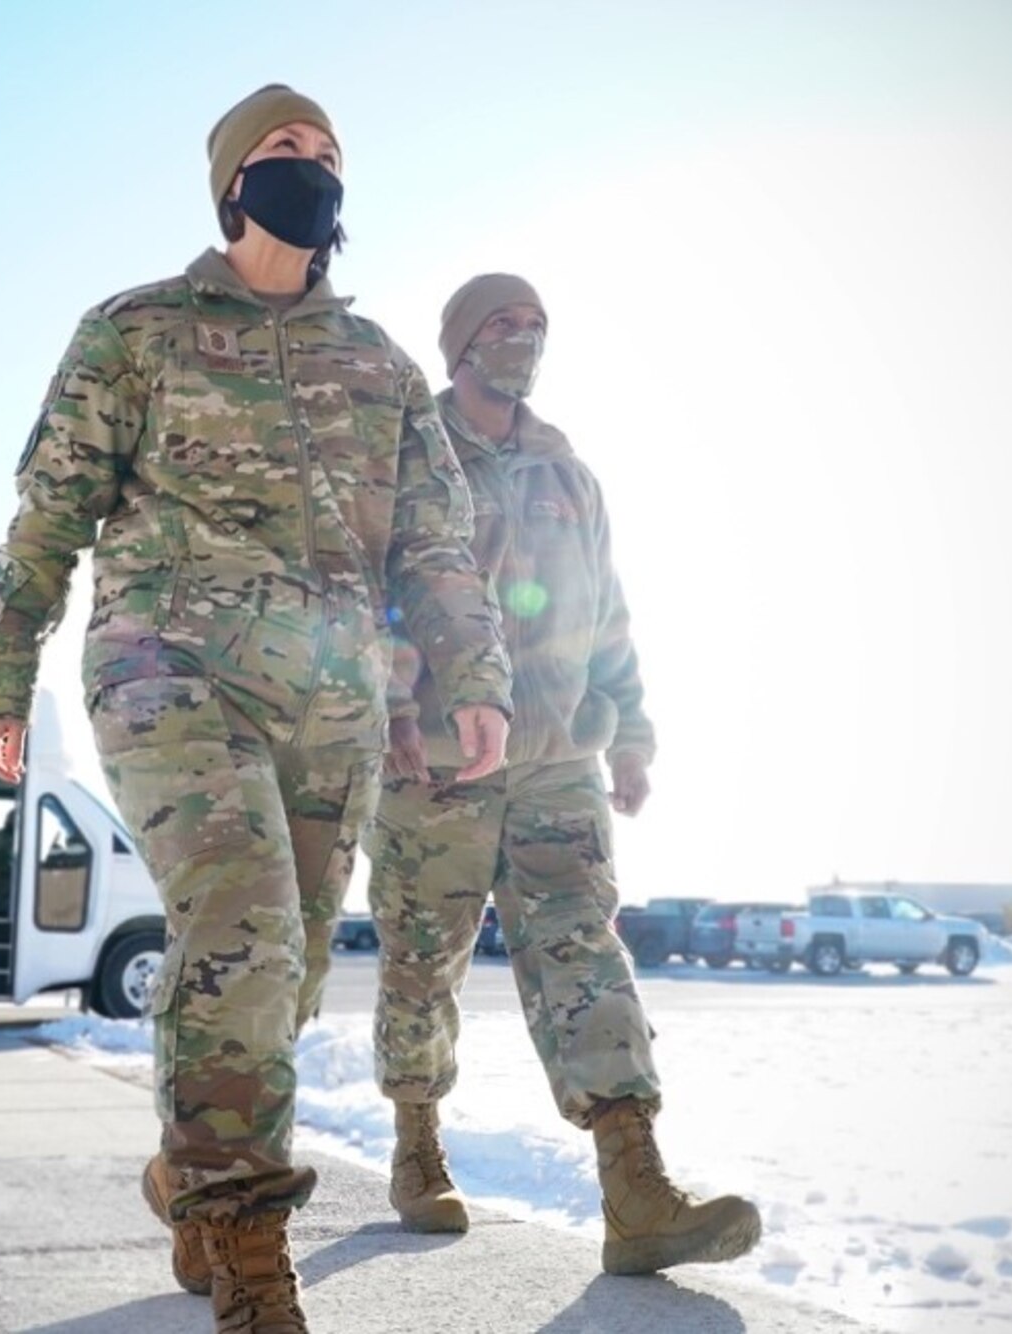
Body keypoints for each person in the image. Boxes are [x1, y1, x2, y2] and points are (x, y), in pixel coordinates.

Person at [0, 85, 512, 1334]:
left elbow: (436, 544)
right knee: (247, 924)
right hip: (167, 665)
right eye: (281, 151)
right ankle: (254, 1258)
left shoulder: (380, 366)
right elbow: (49, 515)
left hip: (331, 701)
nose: (308, 169)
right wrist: (2, 672)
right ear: (230, 183)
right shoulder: (135, 330)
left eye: (326, 155)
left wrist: (472, 679)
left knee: (285, 968)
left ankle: (190, 1169)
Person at [364, 275, 761, 1275]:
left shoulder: (567, 475)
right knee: (422, 960)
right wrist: (391, 701)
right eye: (501, 322)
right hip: (439, 762)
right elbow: (366, 590)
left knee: (582, 951)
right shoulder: (410, 456)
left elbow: (609, 613)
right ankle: (415, 1139)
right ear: (457, 343)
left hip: (557, 762)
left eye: (534, 323)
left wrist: (629, 730)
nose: (522, 336)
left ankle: (634, 1185)